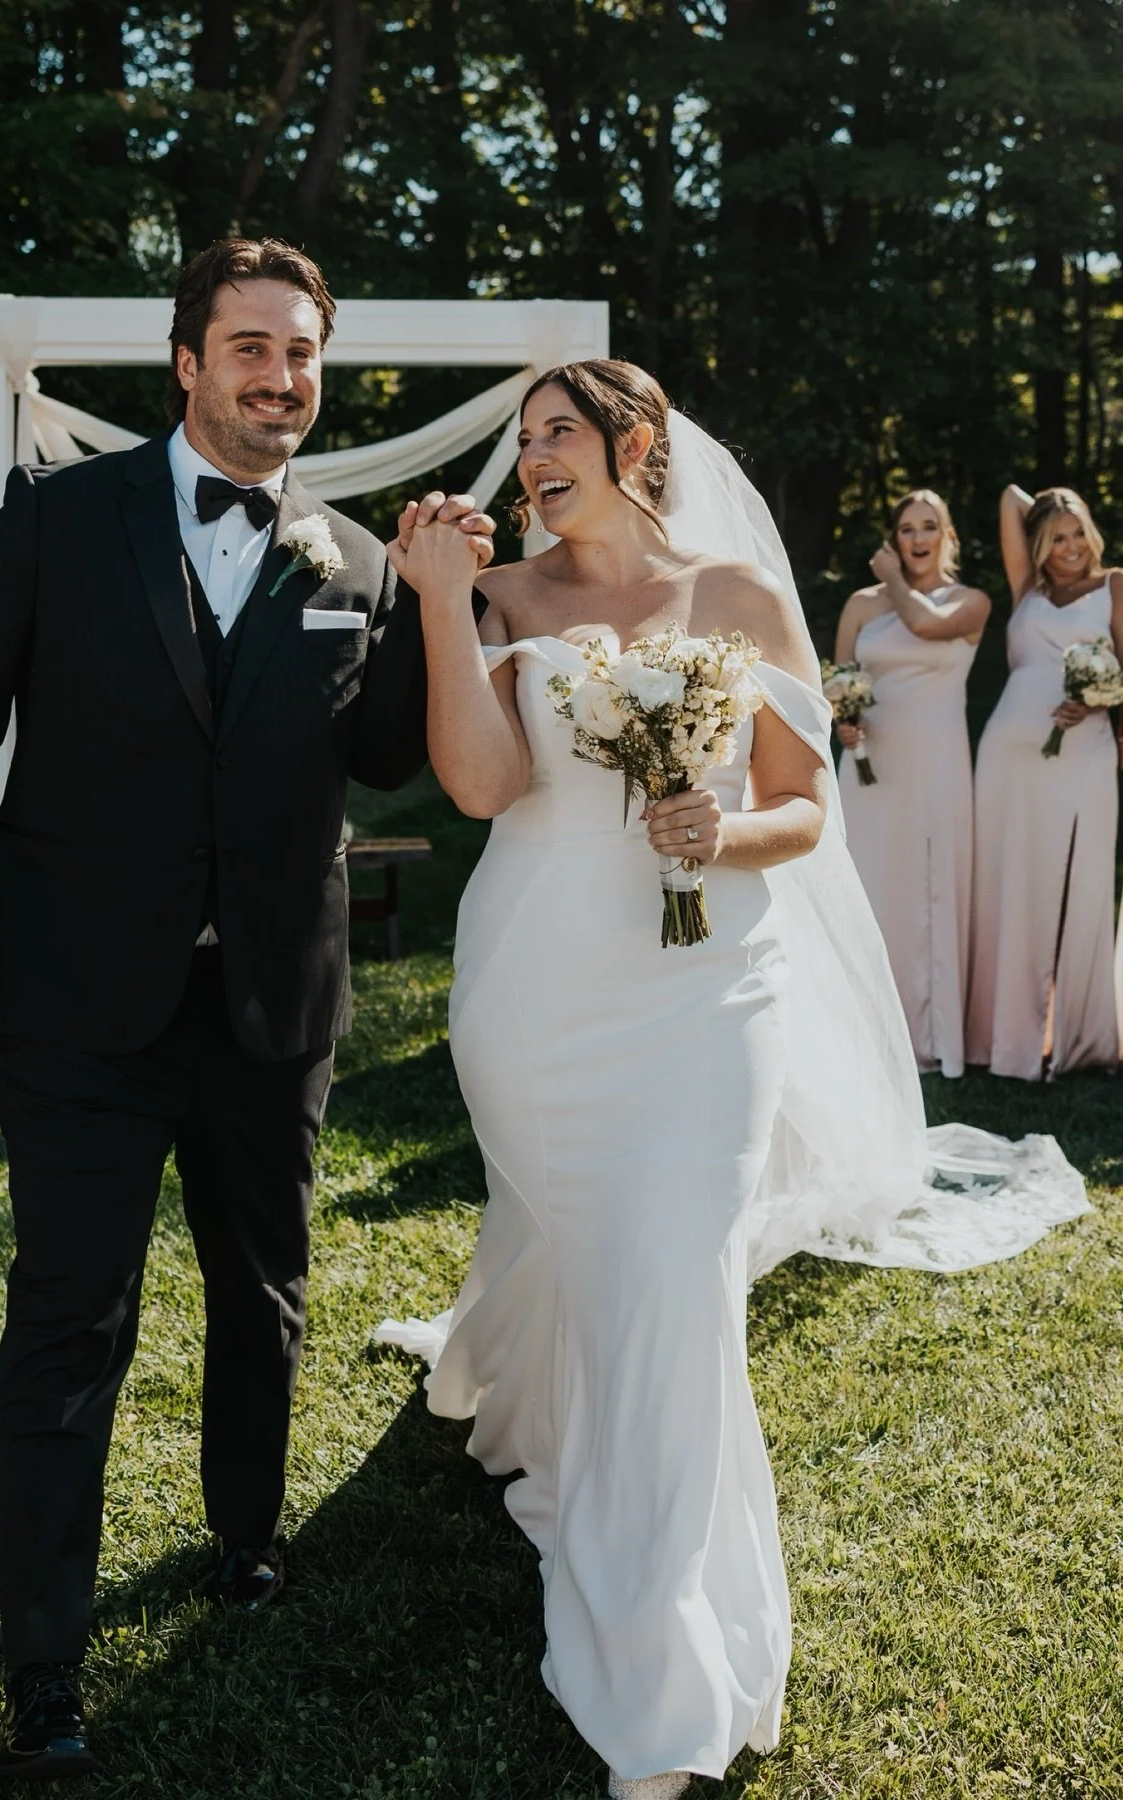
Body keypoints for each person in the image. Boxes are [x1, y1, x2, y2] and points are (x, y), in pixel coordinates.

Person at [377, 361, 1086, 1798]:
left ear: (636, 447)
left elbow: (809, 813)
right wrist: (447, 605)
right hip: (538, 988)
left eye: (557, 436)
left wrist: (720, 833)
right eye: (523, 447)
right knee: (592, 1256)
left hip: (712, 996)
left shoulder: (746, 602)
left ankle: (655, 1653)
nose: (532, 466)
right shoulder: (503, 597)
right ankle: (535, 1404)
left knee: (675, 1284)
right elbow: (476, 789)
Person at [0, 237, 495, 1785]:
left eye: (303, 356)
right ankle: (44, 1667)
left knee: (262, 1296)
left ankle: (246, 1535)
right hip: (85, 1002)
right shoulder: (58, 522)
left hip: (275, 1004)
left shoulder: (346, 556)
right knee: (69, 1322)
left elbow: (394, 760)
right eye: (253, 351)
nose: (282, 380)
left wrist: (430, 597)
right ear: (189, 365)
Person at [966, 485, 1123, 1079]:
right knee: (1012, 884)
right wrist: (1054, 502)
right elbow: (1007, 498)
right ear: (1039, 544)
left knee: (1084, 884)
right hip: (1009, 756)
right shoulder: (1026, 592)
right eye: (1057, 536)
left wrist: (1100, 701)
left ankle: (1085, 1042)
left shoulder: (1114, 586)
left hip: (1086, 750)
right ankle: (1006, 1038)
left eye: (1079, 531)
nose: (1071, 546)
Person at [832, 491, 989, 1077]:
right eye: (906, 529)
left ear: (947, 536)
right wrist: (842, 720)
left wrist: (892, 579)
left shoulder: (970, 601)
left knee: (929, 885)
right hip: (872, 768)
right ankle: (862, 1027)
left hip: (938, 766)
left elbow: (925, 624)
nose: (918, 539)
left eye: (929, 528)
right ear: (893, 537)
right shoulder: (859, 606)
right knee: (870, 883)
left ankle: (930, 1036)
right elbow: (840, 679)